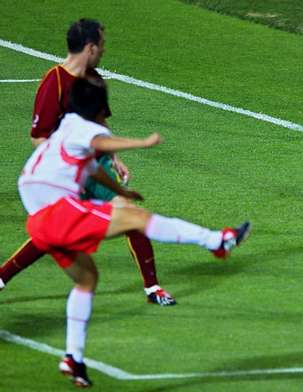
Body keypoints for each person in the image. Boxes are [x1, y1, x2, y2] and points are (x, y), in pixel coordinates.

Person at [18, 78, 251, 387]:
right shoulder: (86, 129)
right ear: (98, 110)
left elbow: (91, 168)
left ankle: (73, 358)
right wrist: (142, 143)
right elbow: (101, 145)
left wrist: (120, 191)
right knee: (137, 219)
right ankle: (217, 241)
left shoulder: (67, 129)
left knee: (87, 281)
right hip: (56, 213)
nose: (107, 117)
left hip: (38, 221)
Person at [0, 18, 176, 306]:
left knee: (129, 214)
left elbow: (99, 122)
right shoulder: (54, 81)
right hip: (66, 172)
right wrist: (60, 164)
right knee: (52, 233)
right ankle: (2, 277)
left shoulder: (93, 78)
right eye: (102, 44)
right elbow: (38, 136)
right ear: (90, 47)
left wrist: (114, 158)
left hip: (95, 167)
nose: (104, 49)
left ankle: (152, 287)